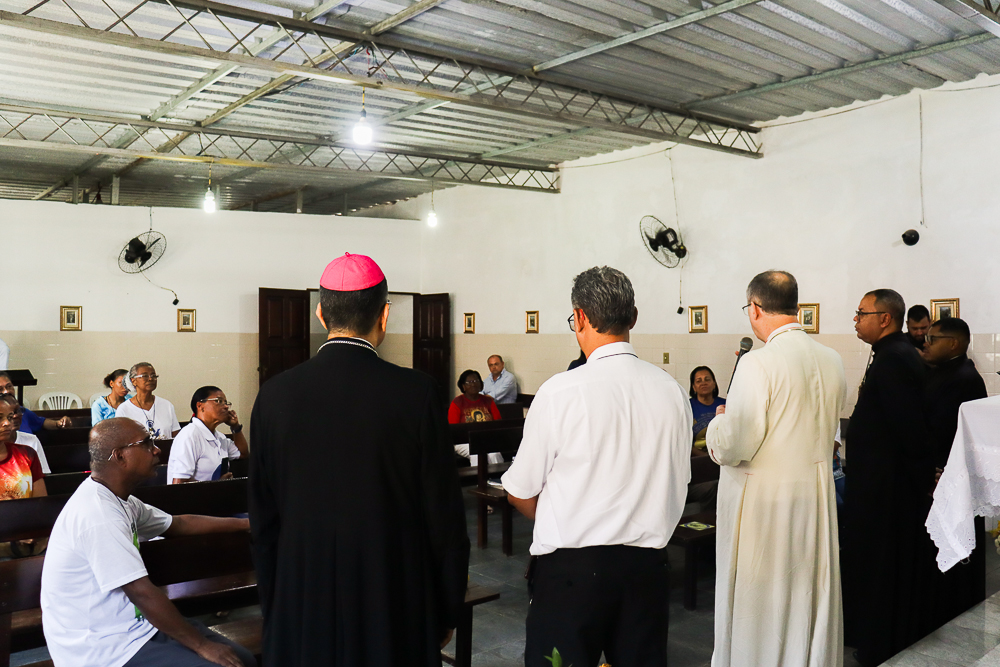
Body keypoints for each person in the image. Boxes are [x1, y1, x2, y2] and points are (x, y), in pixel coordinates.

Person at [249, 252, 469, 667]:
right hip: (393, 592)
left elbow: (263, 519)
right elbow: (443, 516)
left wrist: (276, 606)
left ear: (320, 314)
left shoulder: (274, 395)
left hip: (302, 593)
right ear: (384, 315)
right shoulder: (416, 393)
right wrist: (445, 607)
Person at [502, 266, 692, 667]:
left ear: (580, 317)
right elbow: (678, 483)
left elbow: (519, 491)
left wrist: (562, 514)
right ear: (633, 317)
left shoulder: (560, 391)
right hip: (646, 570)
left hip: (572, 572)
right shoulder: (672, 392)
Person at [706, 271, 846, 667]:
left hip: (766, 506)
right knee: (809, 590)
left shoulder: (757, 363)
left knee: (764, 602)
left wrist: (718, 422)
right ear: (794, 307)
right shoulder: (832, 359)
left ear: (754, 308)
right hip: (814, 498)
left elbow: (735, 444)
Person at [40, 418, 255, 667]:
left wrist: (248, 524)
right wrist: (202, 646)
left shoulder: (120, 500)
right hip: (102, 647)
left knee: (245, 659)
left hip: (136, 626)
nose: (156, 450)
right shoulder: (97, 514)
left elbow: (178, 524)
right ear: (120, 456)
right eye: (146, 444)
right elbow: (140, 591)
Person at [844, 288, 936, 667]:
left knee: (881, 566)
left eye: (861, 313)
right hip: (880, 482)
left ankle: (879, 641)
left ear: (884, 318)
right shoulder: (890, 353)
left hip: (886, 487)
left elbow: (908, 427)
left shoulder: (894, 358)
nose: (855, 320)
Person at [922, 317, 988, 629]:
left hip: (950, 476)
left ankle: (955, 614)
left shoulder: (962, 378)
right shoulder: (946, 372)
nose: (925, 343)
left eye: (932, 338)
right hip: (943, 473)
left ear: (953, 344)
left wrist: (938, 469)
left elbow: (946, 430)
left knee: (956, 547)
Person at [0, 394, 47, 559]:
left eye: (9, 417)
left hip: (27, 534)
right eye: (0, 418)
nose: (7, 423)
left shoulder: (27, 454)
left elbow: (40, 503)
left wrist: (30, 531)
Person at [168, 386, 247, 484]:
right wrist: (217, 484)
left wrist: (235, 427)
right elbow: (179, 483)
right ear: (200, 406)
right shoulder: (189, 436)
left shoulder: (220, 438)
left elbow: (242, 454)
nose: (226, 406)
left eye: (226, 403)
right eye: (219, 401)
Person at [449, 370, 504, 468]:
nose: (473, 384)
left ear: (481, 384)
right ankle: (478, 477)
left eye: (476, 381)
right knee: (476, 453)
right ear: (463, 386)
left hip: (487, 439)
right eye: (469, 382)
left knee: (494, 454)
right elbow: (454, 429)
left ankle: (499, 475)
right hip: (464, 442)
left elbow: (498, 423)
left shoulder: (488, 401)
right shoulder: (457, 402)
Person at [115, 363, 181, 439]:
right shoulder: (124, 409)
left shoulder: (166, 405)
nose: (150, 379)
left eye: (153, 376)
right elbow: (120, 440)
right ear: (133, 381)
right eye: (145, 376)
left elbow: (176, 437)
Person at [0, 371, 72, 432]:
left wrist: (58, 423)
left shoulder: (22, 412)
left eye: (9, 386)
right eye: (0, 389)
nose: (6, 391)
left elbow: (41, 422)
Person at [0, 394, 51, 474]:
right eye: (0, 418)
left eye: (18, 411)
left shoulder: (29, 447)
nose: (16, 416)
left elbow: (42, 476)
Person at [689, 366, 725, 447]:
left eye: (707, 379)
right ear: (693, 387)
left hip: (722, 452)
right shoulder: (687, 407)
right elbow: (683, 441)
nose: (703, 383)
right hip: (695, 454)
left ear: (714, 384)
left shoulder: (725, 405)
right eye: (698, 381)